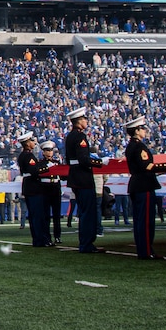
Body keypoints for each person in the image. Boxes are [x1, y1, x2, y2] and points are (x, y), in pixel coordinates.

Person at [64, 107, 101, 252]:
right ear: (79, 121)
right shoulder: (80, 137)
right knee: (88, 212)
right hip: (83, 177)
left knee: (84, 210)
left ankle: (85, 242)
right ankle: (86, 243)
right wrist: (99, 162)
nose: (86, 121)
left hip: (75, 176)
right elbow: (84, 159)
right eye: (84, 119)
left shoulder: (70, 136)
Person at [124, 116, 160, 260]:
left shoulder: (132, 145)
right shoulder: (138, 146)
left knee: (140, 220)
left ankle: (144, 249)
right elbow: (147, 166)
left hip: (138, 183)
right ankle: (145, 251)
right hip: (144, 184)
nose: (145, 131)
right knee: (145, 221)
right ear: (137, 131)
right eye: (142, 128)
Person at [16, 131, 50, 247]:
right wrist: (46, 168)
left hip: (29, 187)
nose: (34, 143)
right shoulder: (28, 156)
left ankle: (38, 239)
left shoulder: (24, 155)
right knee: (37, 215)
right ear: (27, 143)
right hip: (34, 187)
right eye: (31, 141)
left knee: (34, 215)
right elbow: (34, 171)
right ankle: (39, 239)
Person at [40, 141, 63, 245]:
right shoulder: (40, 164)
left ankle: (57, 236)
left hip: (55, 187)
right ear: (43, 152)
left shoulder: (56, 163)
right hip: (45, 188)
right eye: (47, 151)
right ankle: (47, 236)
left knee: (57, 214)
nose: (49, 153)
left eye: (50, 150)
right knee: (46, 215)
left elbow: (62, 177)